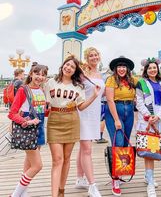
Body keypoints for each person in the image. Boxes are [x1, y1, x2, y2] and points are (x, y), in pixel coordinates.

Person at [44, 55, 101, 197]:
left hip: (72, 119)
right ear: (62, 65)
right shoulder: (50, 82)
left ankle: (61, 190)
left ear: (75, 71)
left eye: (72, 67)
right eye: (67, 65)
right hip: (55, 120)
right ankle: (54, 194)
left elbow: (81, 107)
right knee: (57, 159)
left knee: (66, 158)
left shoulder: (78, 86)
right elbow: (44, 102)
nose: (68, 68)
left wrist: (94, 96)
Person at [8, 63, 48, 197]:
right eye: (37, 74)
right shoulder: (23, 90)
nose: (40, 77)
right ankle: (15, 194)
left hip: (39, 129)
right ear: (31, 74)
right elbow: (12, 113)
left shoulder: (41, 90)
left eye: (43, 75)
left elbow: (40, 111)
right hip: (28, 130)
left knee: (29, 163)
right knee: (37, 166)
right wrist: (27, 121)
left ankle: (23, 193)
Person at [105, 56, 137, 196]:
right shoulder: (111, 80)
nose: (122, 69)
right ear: (115, 69)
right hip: (115, 111)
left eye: (124, 66)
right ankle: (115, 179)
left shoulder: (132, 80)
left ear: (127, 68)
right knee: (117, 143)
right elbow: (110, 100)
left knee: (124, 143)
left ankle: (121, 171)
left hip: (129, 110)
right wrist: (116, 120)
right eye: (119, 66)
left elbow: (146, 86)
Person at [136, 57, 161, 197]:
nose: (152, 70)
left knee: (152, 150)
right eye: (150, 68)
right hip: (146, 121)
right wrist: (149, 116)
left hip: (158, 121)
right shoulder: (141, 83)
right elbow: (139, 101)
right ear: (146, 70)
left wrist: (158, 116)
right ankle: (150, 183)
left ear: (158, 69)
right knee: (148, 153)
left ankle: (147, 176)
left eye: (154, 67)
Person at [75, 47, 105, 197]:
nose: (94, 57)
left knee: (83, 148)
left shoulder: (100, 74)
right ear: (87, 58)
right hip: (83, 112)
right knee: (87, 149)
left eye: (96, 55)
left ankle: (80, 179)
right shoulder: (82, 74)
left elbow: (102, 94)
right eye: (91, 55)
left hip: (94, 114)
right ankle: (92, 185)